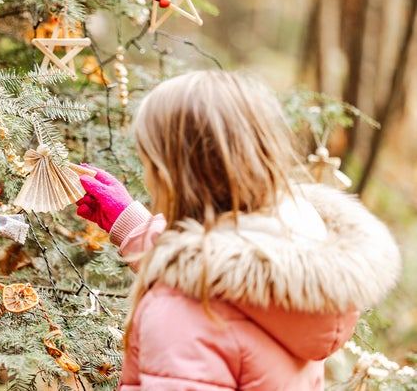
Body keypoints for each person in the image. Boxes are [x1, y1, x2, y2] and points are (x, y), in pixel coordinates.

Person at [75, 70, 401, 390]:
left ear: (171, 174)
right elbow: (226, 265)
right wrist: (131, 223)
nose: (146, 176)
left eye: (148, 162)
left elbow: (205, 292)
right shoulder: (294, 252)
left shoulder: (183, 311)